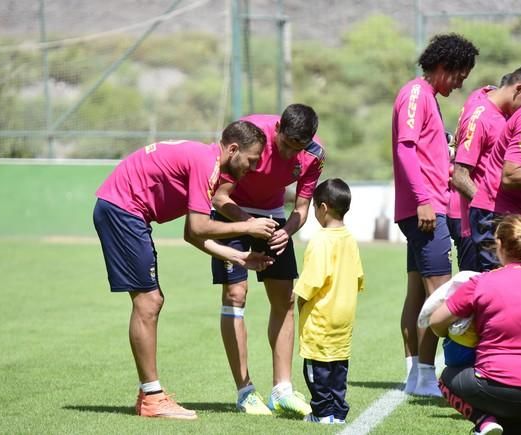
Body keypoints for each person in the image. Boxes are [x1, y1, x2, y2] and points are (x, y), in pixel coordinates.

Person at [93, 121, 278, 420]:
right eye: (251, 160)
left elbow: (191, 235)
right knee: (148, 302)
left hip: (124, 210)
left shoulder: (208, 163)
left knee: (151, 301)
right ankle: (152, 397)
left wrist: (238, 257)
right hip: (123, 210)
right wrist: (248, 226)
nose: (253, 167)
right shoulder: (207, 165)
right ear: (233, 149)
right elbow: (198, 227)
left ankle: (148, 396)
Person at [210, 104, 324, 415]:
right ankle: (245, 391)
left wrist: (287, 230)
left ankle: (282, 390)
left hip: (273, 218)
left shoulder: (314, 154)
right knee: (235, 294)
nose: (289, 154)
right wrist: (248, 223)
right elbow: (219, 197)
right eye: (284, 145)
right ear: (277, 131)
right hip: (231, 213)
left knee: (285, 299)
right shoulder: (250, 133)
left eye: (296, 149)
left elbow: (301, 208)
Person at [391, 33, 479, 397]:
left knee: (416, 292)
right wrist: (425, 199)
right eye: (459, 75)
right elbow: (405, 149)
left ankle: (415, 374)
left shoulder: (427, 97)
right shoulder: (416, 93)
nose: (461, 84)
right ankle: (427, 376)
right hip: (426, 211)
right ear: (444, 66)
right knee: (438, 295)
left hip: (424, 208)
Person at [430, 214, 521, 435]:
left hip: (494, 386)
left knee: (446, 378)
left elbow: (436, 322)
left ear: (500, 244)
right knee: (517, 427)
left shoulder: (481, 283)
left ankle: (483, 421)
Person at [452, 65, 521, 271]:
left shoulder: (504, 114)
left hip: (498, 218)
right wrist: (488, 206)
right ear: (519, 89)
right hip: (482, 221)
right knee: (485, 291)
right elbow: (460, 176)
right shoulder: (480, 116)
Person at [295, 178, 364, 425]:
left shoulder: (320, 240)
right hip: (344, 319)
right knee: (338, 368)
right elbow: (358, 277)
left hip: (321, 318)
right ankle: (338, 413)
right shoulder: (350, 239)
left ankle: (322, 413)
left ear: (322, 208)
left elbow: (311, 281)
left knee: (316, 368)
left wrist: (299, 300)